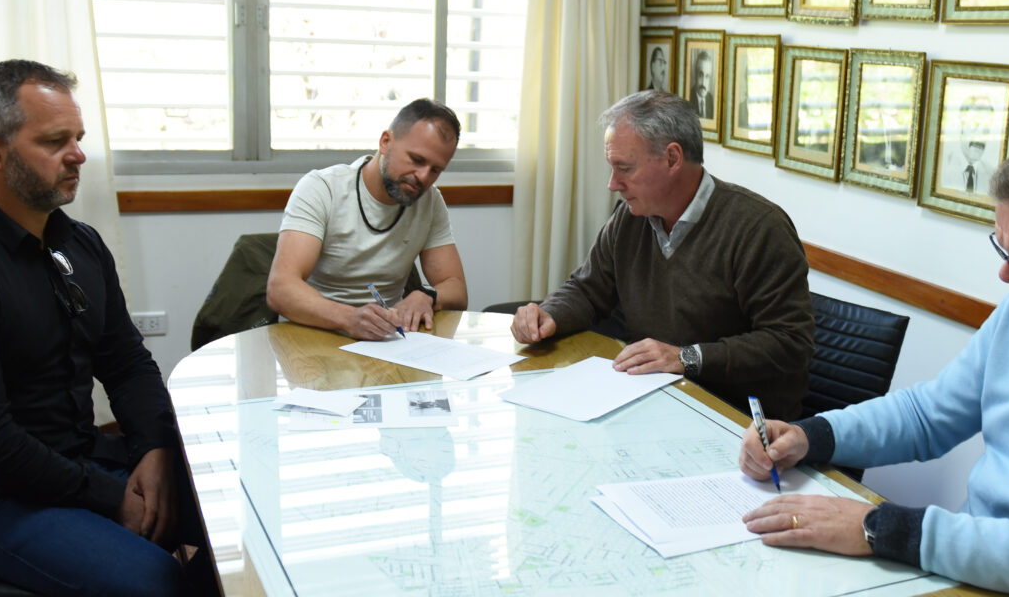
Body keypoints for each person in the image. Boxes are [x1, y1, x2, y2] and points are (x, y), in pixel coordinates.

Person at [740, 127, 1009, 596]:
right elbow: (930, 415)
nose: (1006, 275)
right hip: (977, 574)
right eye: (1003, 251)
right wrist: (811, 435)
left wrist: (886, 529)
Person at [0, 60, 193, 595]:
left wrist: (153, 451)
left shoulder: (78, 243)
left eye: (78, 137)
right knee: (156, 580)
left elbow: (126, 361)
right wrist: (111, 499)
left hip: (76, 461)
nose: (79, 154)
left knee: (236, 517)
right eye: (56, 141)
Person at [511, 90, 814, 419]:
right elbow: (588, 288)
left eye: (624, 168)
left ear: (672, 159)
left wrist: (686, 358)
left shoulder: (758, 228)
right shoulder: (631, 217)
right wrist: (549, 316)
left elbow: (790, 342)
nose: (613, 184)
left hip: (739, 419)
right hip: (657, 402)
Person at [267, 98, 469, 340]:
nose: (423, 177)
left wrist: (426, 294)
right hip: (313, 335)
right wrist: (349, 318)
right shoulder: (322, 188)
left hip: (385, 340)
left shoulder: (429, 202)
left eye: (435, 170)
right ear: (385, 142)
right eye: (416, 160)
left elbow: (456, 288)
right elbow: (280, 289)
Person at [689, 50, 715, 119]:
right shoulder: (688, 98)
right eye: (701, 75)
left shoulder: (711, 100)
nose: (703, 83)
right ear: (695, 75)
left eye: (707, 76)